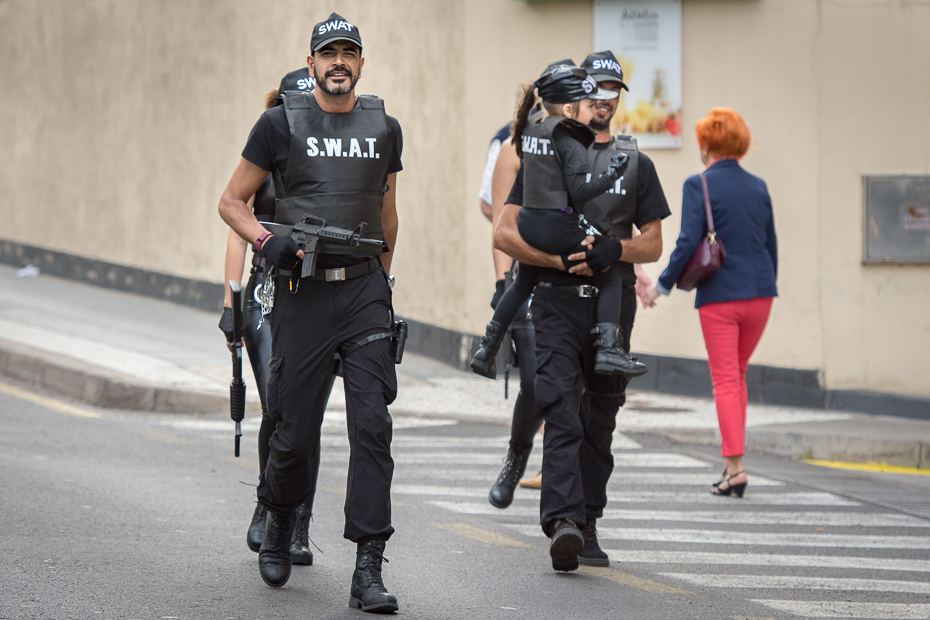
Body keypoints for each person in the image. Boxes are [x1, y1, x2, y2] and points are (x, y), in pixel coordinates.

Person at [218, 13, 402, 613]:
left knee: (372, 427)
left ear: (361, 62)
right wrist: (265, 242)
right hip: (304, 291)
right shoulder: (278, 124)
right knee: (293, 429)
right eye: (330, 53)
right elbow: (231, 201)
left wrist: (388, 281)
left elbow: (387, 211)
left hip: (366, 290)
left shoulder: (385, 128)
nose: (340, 62)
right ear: (313, 62)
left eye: (350, 52)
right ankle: (277, 516)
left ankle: (368, 567)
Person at [493, 51, 670, 572]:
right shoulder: (543, 155)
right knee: (562, 411)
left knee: (601, 417)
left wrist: (615, 251)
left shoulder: (637, 162)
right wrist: (557, 260)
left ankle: (589, 520)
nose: (605, 99)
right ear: (578, 98)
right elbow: (504, 233)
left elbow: (654, 244)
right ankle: (563, 522)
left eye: (614, 90)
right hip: (553, 303)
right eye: (596, 89)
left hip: (611, 310)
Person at [471, 64, 648, 381]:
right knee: (608, 275)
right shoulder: (569, 138)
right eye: (588, 104)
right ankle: (608, 349)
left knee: (522, 282)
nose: (593, 111)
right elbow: (580, 190)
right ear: (570, 108)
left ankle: (487, 348)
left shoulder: (531, 132)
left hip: (530, 224)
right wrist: (612, 174)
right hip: (557, 225)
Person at [218, 75, 324, 567]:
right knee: (280, 406)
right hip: (265, 295)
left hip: (319, 297)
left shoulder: (330, 159)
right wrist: (230, 303)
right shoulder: (269, 148)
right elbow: (236, 228)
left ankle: (298, 521)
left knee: (311, 416)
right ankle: (269, 503)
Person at [644, 107, 777, 499]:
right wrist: (767, 284)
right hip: (761, 294)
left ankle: (735, 468)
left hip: (720, 297)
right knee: (737, 374)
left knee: (724, 379)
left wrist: (661, 287)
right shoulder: (759, 186)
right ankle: (730, 463)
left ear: (704, 144)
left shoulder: (698, 184)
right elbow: (771, 245)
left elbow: (689, 242)